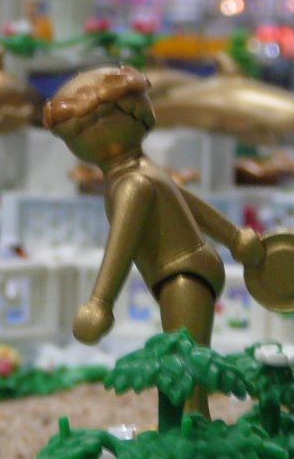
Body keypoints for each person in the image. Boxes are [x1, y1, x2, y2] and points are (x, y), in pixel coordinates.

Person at [43, 64, 266, 416]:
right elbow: (185, 201)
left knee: (186, 368)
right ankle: (176, 428)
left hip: (183, 276)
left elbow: (122, 242)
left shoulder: (132, 183)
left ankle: (192, 433)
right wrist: (234, 237)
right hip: (188, 271)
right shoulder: (142, 171)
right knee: (179, 363)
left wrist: (100, 303)